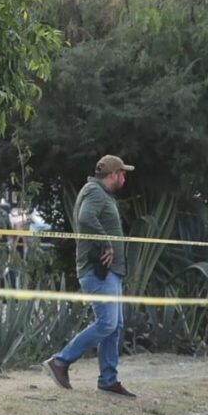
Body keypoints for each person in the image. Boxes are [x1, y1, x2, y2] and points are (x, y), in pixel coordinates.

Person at [44, 155, 137, 398]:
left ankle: (108, 380)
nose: (124, 178)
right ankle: (60, 361)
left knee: (114, 326)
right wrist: (106, 243)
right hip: (98, 271)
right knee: (107, 323)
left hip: (110, 272)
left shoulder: (101, 194)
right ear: (113, 174)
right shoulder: (95, 192)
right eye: (123, 173)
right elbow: (86, 218)